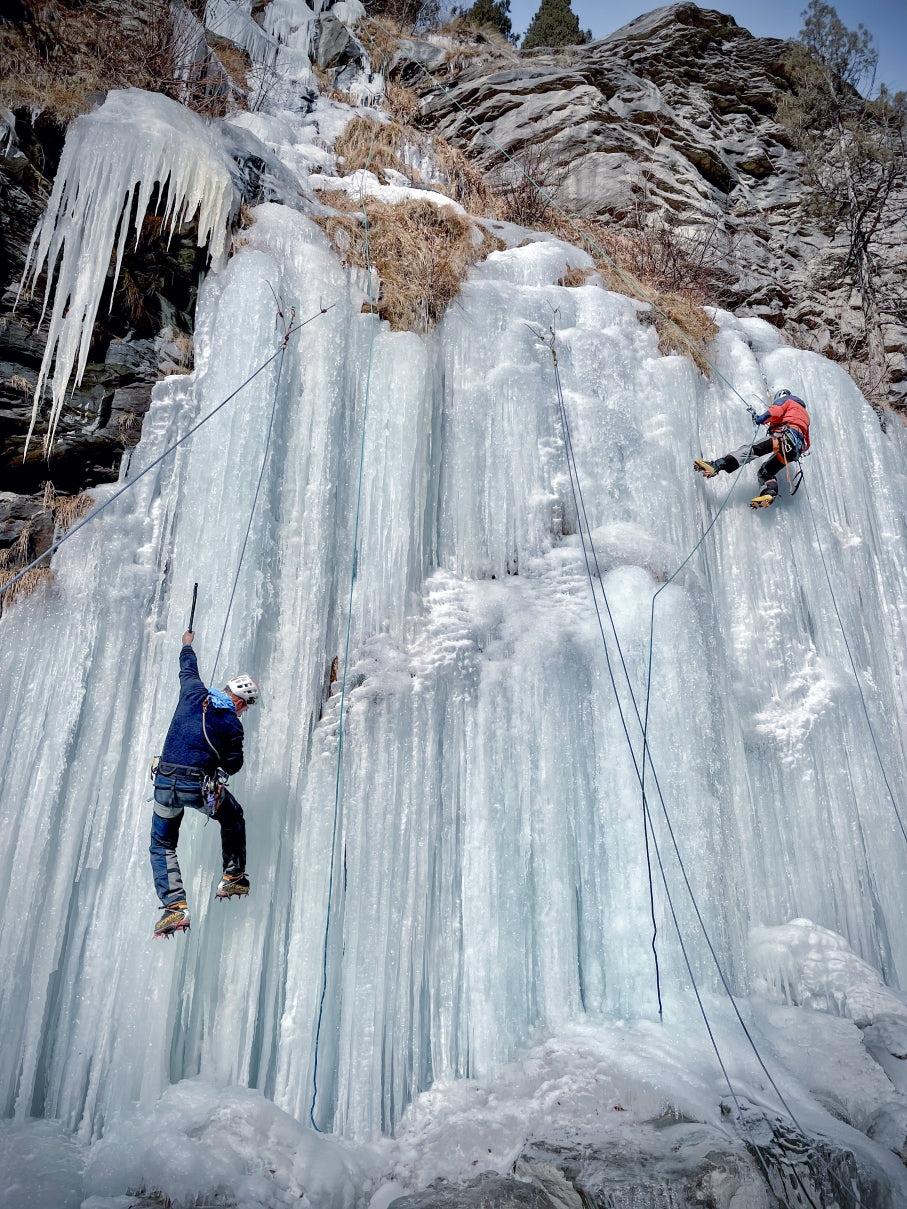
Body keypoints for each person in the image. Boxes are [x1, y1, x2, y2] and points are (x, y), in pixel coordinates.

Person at [150, 629, 260, 939]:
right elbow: (233, 766)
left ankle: (174, 907)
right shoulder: (231, 723)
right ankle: (233, 875)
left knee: (162, 844)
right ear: (239, 701)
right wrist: (225, 747)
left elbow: (187, 667)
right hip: (195, 786)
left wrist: (187, 643)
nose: (244, 711)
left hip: (164, 783)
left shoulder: (193, 691)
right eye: (246, 706)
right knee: (232, 816)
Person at [694, 388, 811, 508]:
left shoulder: (787, 400)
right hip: (792, 452)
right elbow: (807, 445)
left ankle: (716, 466)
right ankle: (769, 493)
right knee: (765, 472)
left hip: (781, 437)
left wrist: (760, 419)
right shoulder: (805, 415)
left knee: (748, 451)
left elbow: (775, 412)